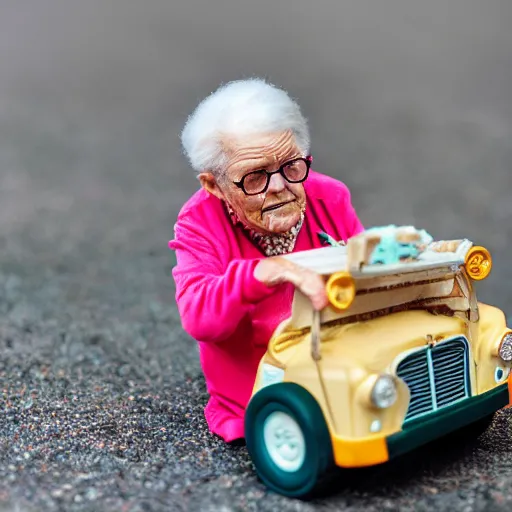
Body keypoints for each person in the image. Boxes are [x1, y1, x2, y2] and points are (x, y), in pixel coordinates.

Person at [168, 78, 364, 443]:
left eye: (291, 166)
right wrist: (263, 272)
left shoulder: (330, 196)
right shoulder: (198, 222)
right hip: (259, 400)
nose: (279, 186)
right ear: (213, 185)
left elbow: (364, 273)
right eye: (255, 176)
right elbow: (198, 316)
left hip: (344, 372)